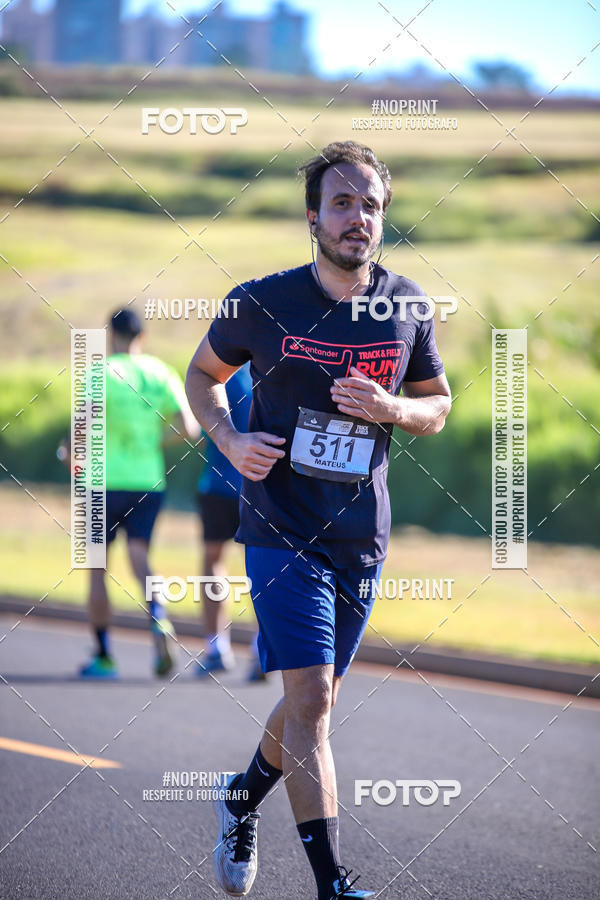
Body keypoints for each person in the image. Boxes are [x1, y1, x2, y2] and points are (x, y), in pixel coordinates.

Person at [185, 141, 451, 899]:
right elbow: (202, 374)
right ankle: (334, 884)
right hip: (279, 526)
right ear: (313, 216)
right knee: (314, 703)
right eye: (342, 202)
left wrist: (393, 408)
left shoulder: (405, 306)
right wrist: (232, 440)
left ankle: (241, 797)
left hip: (360, 534)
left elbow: (439, 403)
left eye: (370, 204)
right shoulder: (260, 302)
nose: (357, 217)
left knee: (314, 698)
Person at [75, 308, 200, 679]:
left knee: (97, 569)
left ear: (110, 334)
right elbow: (190, 428)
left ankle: (104, 656)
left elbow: (81, 432)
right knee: (141, 557)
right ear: (142, 336)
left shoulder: (98, 373)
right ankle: (160, 620)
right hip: (148, 481)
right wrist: (155, 443)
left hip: (102, 482)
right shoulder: (160, 372)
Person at [195, 361, 265, 682]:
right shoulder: (270, 367)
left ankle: (216, 649)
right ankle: (262, 649)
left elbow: (196, 426)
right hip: (259, 485)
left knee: (213, 562)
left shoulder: (215, 370)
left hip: (219, 483)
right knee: (262, 568)